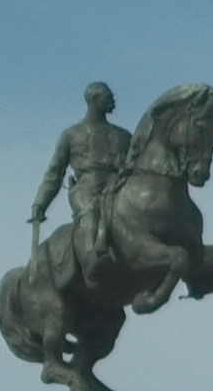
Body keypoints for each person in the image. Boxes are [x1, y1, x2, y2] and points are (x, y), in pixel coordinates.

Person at [30, 83, 136, 276]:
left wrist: (127, 167)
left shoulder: (124, 136)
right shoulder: (71, 135)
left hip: (119, 186)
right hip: (87, 187)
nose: (113, 101)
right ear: (93, 100)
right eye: (107, 97)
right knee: (90, 211)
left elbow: (137, 166)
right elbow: (54, 173)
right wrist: (40, 203)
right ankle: (91, 257)